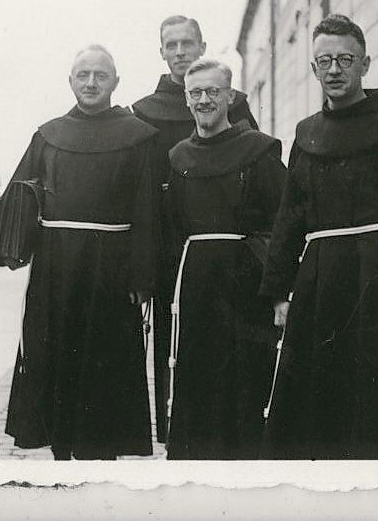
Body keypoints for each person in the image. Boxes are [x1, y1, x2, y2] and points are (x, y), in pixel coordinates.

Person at [259, 14, 378, 460]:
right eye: (324, 60)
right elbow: (290, 218)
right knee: (314, 411)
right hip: (319, 288)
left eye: (345, 59)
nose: (334, 69)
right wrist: (278, 293)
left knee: (375, 414)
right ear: (313, 68)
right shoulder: (307, 135)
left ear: (365, 64)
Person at [2, 45, 158, 460]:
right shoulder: (48, 134)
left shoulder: (139, 136)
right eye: (83, 75)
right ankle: (60, 455)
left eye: (100, 75)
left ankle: (100, 459)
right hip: (55, 267)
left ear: (115, 83)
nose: (91, 83)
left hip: (112, 269)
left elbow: (148, 210)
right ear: (70, 81)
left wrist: (143, 278)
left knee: (103, 367)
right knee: (54, 360)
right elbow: (19, 195)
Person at [131, 14, 258, 442]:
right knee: (176, 348)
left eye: (188, 44)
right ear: (161, 51)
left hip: (227, 251)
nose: (181, 52)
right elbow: (144, 195)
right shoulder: (144, 113)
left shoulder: (233, 102)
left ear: (202, 46)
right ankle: (178, 435)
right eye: (172, 45)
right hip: (174, 251)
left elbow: (252, 164)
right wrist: (145, 270)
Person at [163, 58, 286, 459]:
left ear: (230, 97)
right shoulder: (178, 157)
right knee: (196, 384)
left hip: (246, 285)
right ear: (186, 100)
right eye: (195, 93)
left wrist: (279, 290)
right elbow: (172, 228)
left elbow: (282, 223)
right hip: (197, 285)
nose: (204, 100)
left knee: (245, 384)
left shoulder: (258, 151)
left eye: (213, 92)